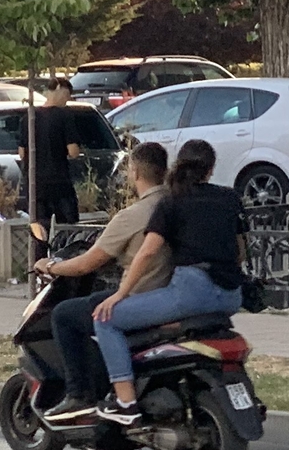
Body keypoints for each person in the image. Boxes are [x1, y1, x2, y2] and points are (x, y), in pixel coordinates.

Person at [85, 138, 249, 426]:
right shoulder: (229, 198)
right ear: (210, 170)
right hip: (231, 296)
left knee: (105, 319)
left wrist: (119, 295)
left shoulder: (171, 201)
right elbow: (240, 253)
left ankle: (125, 402)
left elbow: (148, 251)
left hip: (191, 293)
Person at [31, 140, 169, 419]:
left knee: (65, 315)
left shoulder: (134, 215)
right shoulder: (176, 206)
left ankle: (79, 394)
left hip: (139, 297)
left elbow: (87, 264)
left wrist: (52, 266)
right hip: (172, 296)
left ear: (135, 173)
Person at [26, 79, 81, 246]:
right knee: (68, 227)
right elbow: (73, 151)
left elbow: (22, 152)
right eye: (66, 94)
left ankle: (38, 264)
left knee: (39, 228)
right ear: (57, 88)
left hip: (36, 183)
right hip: (59, 181)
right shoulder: (65, 116)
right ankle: (64, 261)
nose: (67, 99)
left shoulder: (30, 116)